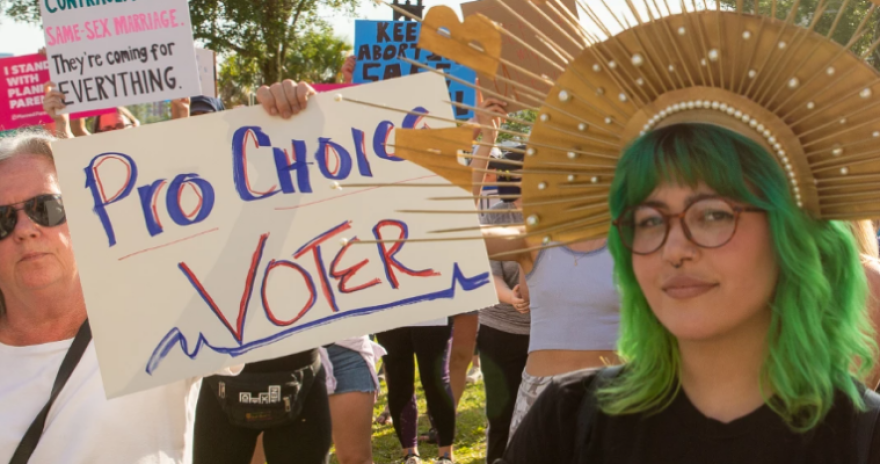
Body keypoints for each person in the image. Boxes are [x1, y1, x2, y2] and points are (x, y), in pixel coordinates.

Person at [502, 123, 880, 463]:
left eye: (713, 214)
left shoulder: (862, 436)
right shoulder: (568, 420)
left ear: (790, 236)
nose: (673, 249)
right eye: (649, 220)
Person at [0, 131, 231, 463]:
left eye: (45, 208)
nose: (25, 229)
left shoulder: (161, 313)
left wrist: (291, 122)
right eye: (2, 219)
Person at [192, 80, 333, 464]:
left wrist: (305, 115)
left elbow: (339, 184)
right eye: (190, 126)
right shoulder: (176, 214)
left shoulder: (297, 191)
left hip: (299, 373)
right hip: (218, 382)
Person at [470, 104, 621, 439]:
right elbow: (458, 233)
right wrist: (486, 142)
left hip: (619, 404)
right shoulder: (532, 238)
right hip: (542, 404)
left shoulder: (641, 237)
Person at [475, 149, 532, 462]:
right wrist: (513, 298)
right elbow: (489, 271)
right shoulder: (495, 215)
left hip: (545, 331)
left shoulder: (556, 216)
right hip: (500, 328)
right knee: (501, 415)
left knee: (538, 415)